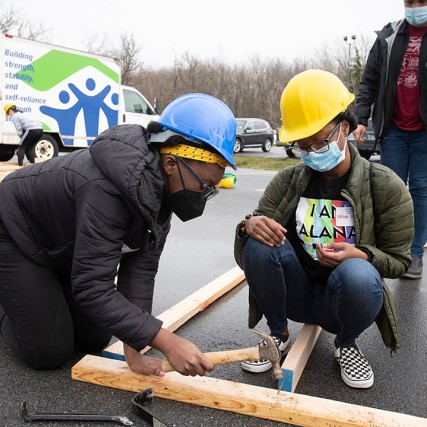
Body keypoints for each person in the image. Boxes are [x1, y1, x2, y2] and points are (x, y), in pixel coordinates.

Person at [0, 93, 237, 377]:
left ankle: (39, 294)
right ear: (171, 164)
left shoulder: (160, 190)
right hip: (15, 233)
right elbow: (91, 288)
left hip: (60, 246)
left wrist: (134, 351)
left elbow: (140, 270)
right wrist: (167, 342)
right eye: (204, 185)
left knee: (96, 338)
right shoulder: (105, 189)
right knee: (48, 352)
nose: (204, 194)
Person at [234, 70, 414, 389]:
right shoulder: (288, 181)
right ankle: (278, 335)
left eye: (320, 141)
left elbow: (400, 262)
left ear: (344, 126)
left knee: (358, 273)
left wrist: (360, 255)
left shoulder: (385, 187)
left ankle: (345, 344)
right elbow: (249, 255)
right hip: (295, 295)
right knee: (260, 243)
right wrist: (249, 225)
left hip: (345, 301)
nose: (313, 153)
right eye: (304, 146)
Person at [353, 0, 427, 279]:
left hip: (424, 132)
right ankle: (389, 251)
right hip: (393, 129)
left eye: (421, 2)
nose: (416, 7)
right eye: (410, 2)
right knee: (390, 192)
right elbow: (369, 79)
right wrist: (361, 118)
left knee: (421, 190)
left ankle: (415, 254)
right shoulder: (390, 36)